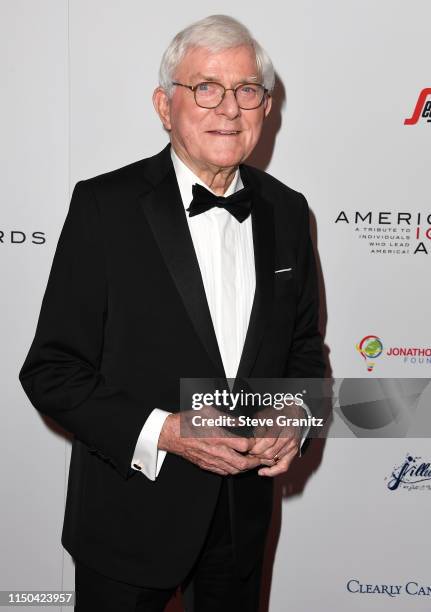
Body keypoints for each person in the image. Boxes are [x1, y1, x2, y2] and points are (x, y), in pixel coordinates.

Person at [19, 14, 325, 612]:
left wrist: (296, 414)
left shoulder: (289, 213)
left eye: (247, 91)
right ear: (165, 105)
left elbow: (305, 350)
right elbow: (52, 371)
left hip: (241, 526)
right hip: (129, 518)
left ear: (266, 107)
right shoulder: (104, 206)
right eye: (206, 87)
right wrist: (165, 431)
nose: (229, 109)